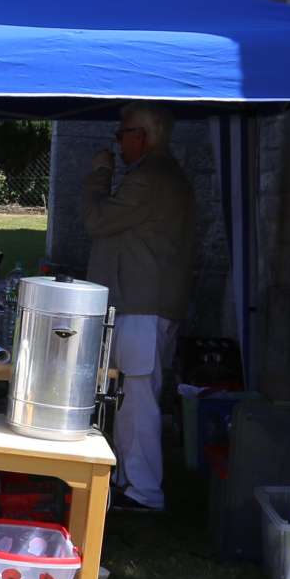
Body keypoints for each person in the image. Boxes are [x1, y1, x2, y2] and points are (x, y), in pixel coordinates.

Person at [81, 102, 195, 513]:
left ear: (143, 135)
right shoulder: (161, 175)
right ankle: (129, 482)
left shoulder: (150, 178)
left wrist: (99, 174)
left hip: (144, 307)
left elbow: (97, 220)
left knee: (138, 401)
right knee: (133, 398)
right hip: (146, 304)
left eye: (122, 133)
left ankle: (143, 491)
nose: (117, 142)